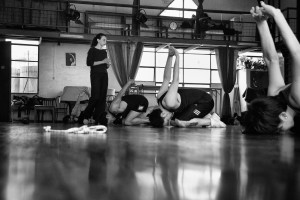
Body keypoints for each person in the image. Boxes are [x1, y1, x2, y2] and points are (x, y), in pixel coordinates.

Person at [242, 2, 300, 134]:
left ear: (283, 116)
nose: (281, 133)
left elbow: (295, 54)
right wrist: (261, 22)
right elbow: (271, 60)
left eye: (280, 130)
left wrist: (276, 15)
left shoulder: (297, 98)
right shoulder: (274, 98)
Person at [148, 46, 226, 128]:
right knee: (175, 120)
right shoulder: (159, 98)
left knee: (182, 121)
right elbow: (166, 79)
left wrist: (177, 56)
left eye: (167, 120)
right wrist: (170, 56)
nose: (169, 120)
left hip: (205, 102)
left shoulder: (169, 102)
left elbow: (175, 80)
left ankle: (212, 121)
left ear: (163, 113)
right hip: (193, 104)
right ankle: (204, 116)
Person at [83, 33, 111, 125]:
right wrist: (103, 61)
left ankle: (98, 118)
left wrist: (107, 64)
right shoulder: (92, 50)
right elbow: (89, 63)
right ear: (98, 40)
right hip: (95, 75)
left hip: (104, 74)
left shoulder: (104, 52)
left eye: (106, 40)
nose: (105, 41)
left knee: (102, 98)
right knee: (95, 97)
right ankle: (85, 116)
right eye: (104, 39)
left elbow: (105, 66)